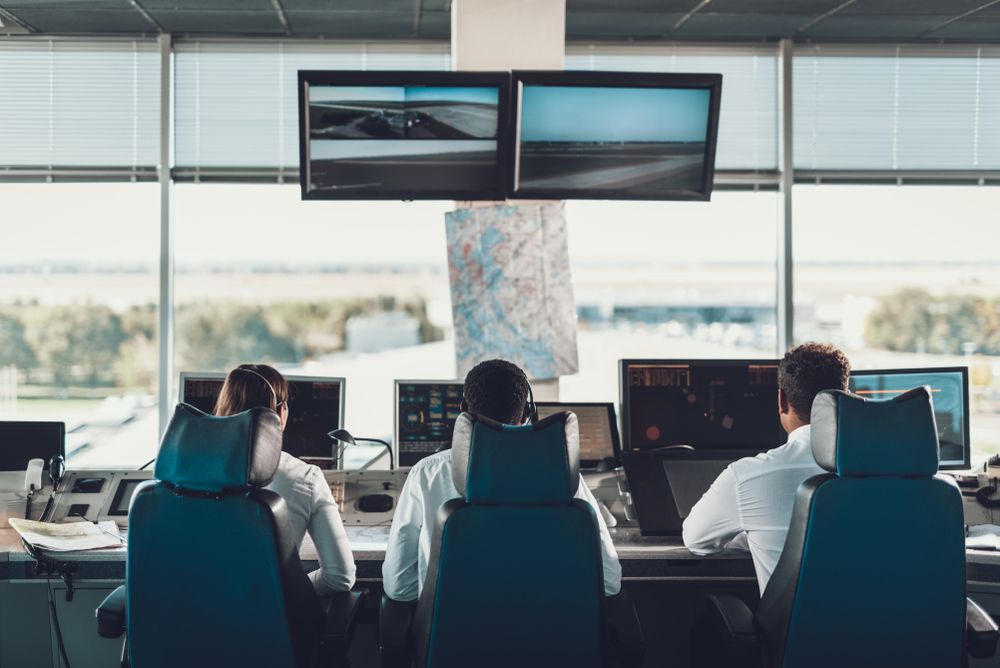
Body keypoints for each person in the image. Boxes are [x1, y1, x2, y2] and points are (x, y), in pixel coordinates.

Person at [382, 358, 622, 601]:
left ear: (463, 410)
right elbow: (609, 582)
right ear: (528, 413)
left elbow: (399, 586)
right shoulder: (561, 473)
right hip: (549, 624)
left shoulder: (426, 474)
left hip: (456, 625)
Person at [682, 343, 851, 594]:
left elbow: (696, 540)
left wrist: (756, 532)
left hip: (797, 621)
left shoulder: (746, 477)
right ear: (846, 397)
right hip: (884, 620)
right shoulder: (892, 472)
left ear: (781, 400)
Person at [214, 363, 356, 595]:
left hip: (188, 615)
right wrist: (283, 591)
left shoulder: (182, 476)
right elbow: (340, 577)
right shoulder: (305, 477)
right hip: (264, 617)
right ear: (281, 413)